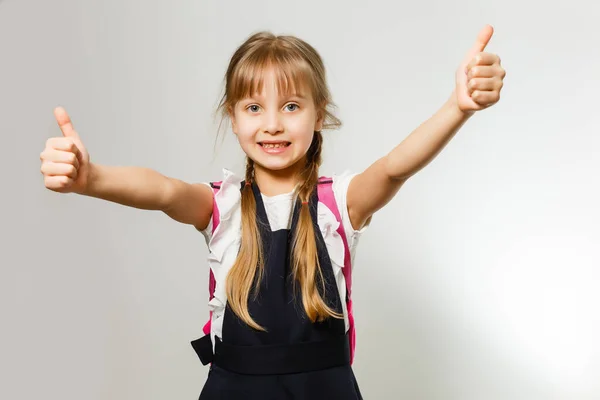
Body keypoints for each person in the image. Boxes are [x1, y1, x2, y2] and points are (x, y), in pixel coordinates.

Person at [40, 26, 505, 399]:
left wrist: (456, 108)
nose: (273, 124)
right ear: (234, 115)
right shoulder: (220, 205)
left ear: (318, 113)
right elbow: (162, 190)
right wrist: (92, 179)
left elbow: (393, 168)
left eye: (291, 105)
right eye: (254, 107)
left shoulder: (338, 203)